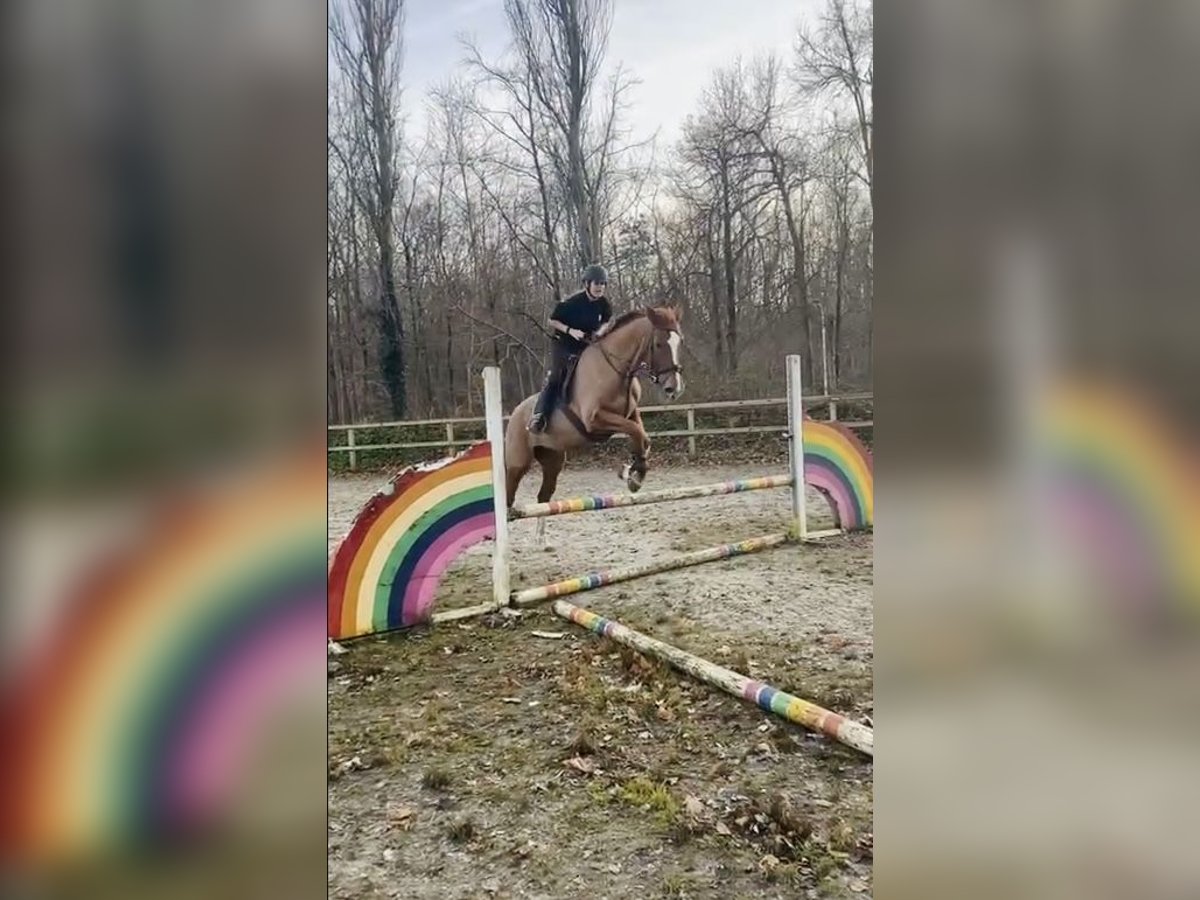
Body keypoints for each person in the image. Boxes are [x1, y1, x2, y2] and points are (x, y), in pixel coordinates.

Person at [528, 264, 614, 432]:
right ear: (587, 284)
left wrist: (600, 333)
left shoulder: (604, 304)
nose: (600, 287)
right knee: (556, 376)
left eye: (603, 284)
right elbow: (552, 320)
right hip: (564, 342)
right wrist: (571, 331)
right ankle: (539, 415)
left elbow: (606, 322)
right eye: (597, 283)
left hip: (586, 344)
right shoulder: (571, 302)